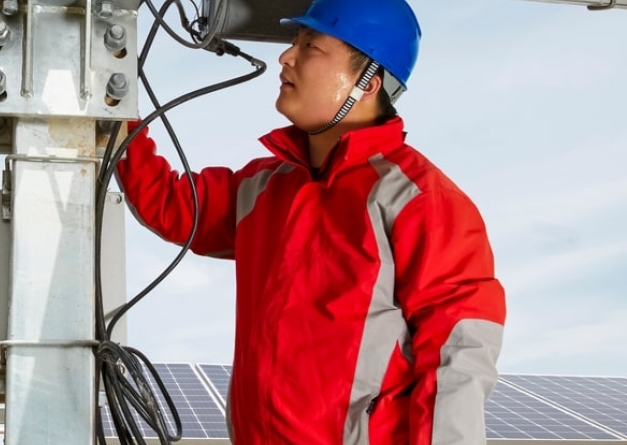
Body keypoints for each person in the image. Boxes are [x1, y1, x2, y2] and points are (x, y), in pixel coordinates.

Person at [115, 0, 507, 442]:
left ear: (368, 82)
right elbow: (171, 205)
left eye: (311, 46)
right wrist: (113, 111)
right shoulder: (266, 187)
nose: (286, 56)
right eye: (293, 44)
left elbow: (459, 354)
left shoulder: (419, 201)